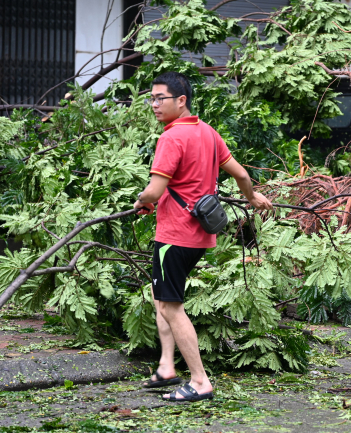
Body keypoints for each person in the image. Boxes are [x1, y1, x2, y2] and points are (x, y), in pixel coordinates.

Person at [133, 72, 273, 402]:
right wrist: (252, 198)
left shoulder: (171, 138)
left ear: (181, 101)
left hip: (175, 237)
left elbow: (155, 189)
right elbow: (240, 174)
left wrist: (141, 201)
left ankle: (199, 381)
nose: (154, 105)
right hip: (198, 235)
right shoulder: (207, 132)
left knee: (170, 306)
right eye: (151, 99)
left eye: (160, 99)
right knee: (161, 298)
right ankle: (167, 366)